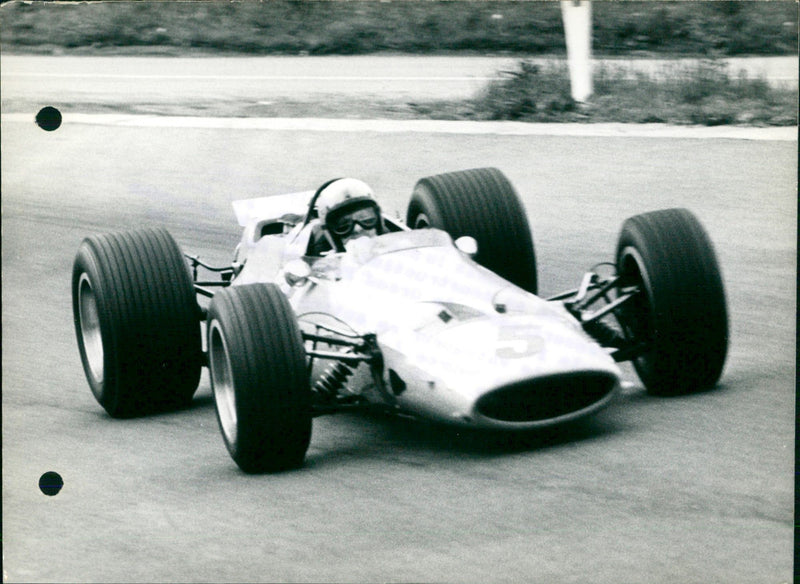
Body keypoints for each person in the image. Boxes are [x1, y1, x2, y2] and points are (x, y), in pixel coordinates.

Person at [309, 178, 384, 254]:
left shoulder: (395, 249)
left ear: (379, 222)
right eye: (343, 224)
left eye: (366, 219)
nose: (357, 229)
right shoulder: (325, 264)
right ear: (331, 234)